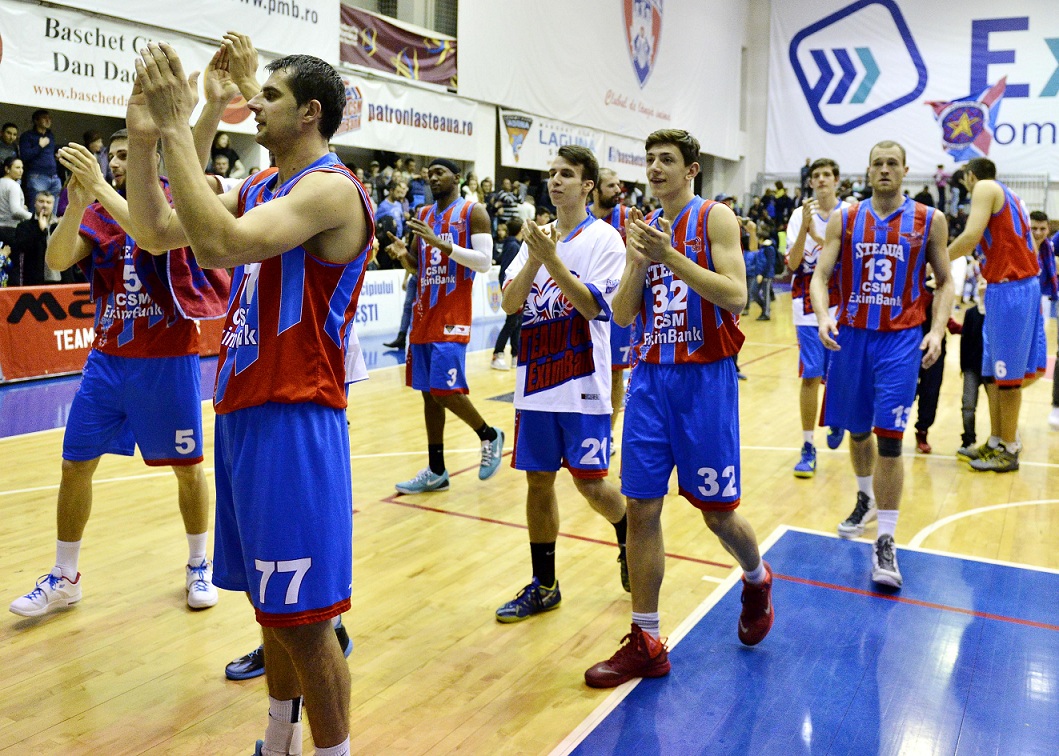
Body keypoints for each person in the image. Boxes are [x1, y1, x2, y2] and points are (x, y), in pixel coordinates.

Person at [128, 41, 372, 755]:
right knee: (271, 611)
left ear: (310, 112)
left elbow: (220, 247)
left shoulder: (329, 188)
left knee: (306, 621)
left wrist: (182, 125)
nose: (253, 102)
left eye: (269, 95)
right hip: (242, 408)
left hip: (295, 412)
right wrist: (150, 141)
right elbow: (157, 228)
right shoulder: (264, 184)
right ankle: (276, 738)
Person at [8, 126, 231, 620]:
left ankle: (199, 564)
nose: (115, 163)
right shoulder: (98, 213)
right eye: (111, 156)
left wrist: (103, 193)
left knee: (188, 467)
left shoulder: (176, 205)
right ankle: (65, 576)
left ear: (152, 159)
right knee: (74, 464)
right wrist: (74, 205)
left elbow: (155, 239)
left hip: (167, 360)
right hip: (107, 360)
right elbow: (55, 260)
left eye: (127, 155)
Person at [585, 129, 774, 688]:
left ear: (691, 169)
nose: (655, 167)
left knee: (717, 515)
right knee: (641, 509)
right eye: (649, 160)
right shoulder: (638, 227)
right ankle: (646, 639)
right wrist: (643, 261)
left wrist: (670, 256)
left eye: (666, 159)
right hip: (650, 380)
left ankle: (757, 577)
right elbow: (621, 315)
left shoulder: (714, 217)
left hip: (704, 382)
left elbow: (736, 295)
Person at [493, 146, 629, 623]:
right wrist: (534, 258)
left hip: (582, 385)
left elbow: (594, 307)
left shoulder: (606, 240)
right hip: (535, 384)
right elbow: (510, 305)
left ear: (587, 185)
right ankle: (545, 584)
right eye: (551, 173)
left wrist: (550, 259)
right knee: (538, 481)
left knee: (591, 485)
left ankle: (627, 526)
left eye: (566, 174)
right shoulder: (538, 238)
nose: (555, 181)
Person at [812, 140, 953, 588]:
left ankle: (886, 540)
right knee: (857, 432)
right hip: (852, 337)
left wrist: (936, 328)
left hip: (901, 340)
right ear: (868, 171)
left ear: (905, 170)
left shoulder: (930, 220)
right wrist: (821, 315)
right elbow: (820, 276)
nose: (885, 170)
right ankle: (865, 497)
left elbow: (946, 281)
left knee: (890, 440)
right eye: (878, 163)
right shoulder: (846, 218)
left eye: (893, 163)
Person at [387, 157, 505, 494]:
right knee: (428, 394)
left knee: (444, 389)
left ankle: (488, 434)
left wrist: (444, 244)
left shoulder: (473, 212)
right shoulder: (423, 216)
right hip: (424, 311)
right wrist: (402, 256)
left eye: (440, 173)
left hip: (452, 312)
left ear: (456, 177)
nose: (433, 178)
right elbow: (418, 267)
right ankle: (436, 470)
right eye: (429, 174)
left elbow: (483, 263)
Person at [946, 158, 1044, 472]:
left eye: (964, 183)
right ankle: (996, 441)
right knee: (994, 375)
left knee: (1009, 379)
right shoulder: (1008, 194)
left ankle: (1011, 448)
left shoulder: (985, 187)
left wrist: (935, 259)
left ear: (970, 176)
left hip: (1012, 288)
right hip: (1008, 289)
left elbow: (971, 237)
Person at [784, 158, 848, 478]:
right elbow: (793, 264)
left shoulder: (850, 213)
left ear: (837, 181)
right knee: (810, 374)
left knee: (840, 373)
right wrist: (805, 232)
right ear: (810, 183)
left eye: (827, 175)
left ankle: (836, 416)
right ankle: (808, 445)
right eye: (816, 175)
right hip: (806, 305)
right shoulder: (799, 215)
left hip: (844, 304)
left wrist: (819, 238)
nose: (821, 179)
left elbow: (845, 259)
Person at [589, 167, 637, 437]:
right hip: (587, 302)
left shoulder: (629, 218)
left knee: (616, 372)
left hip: (618, 305)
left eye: (619, 185)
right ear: (594, 189)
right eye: (611, 186)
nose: (618, 190)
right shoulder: (581, 218)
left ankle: (607, 433)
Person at [491, 218, 524, 370]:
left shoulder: (514, 245)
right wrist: (513, 291)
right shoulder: (513, 246)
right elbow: (508, 272)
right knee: (511, 323)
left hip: (517, 291)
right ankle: (497, 353)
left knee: (516, 324)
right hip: (513, 292)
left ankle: (515, 356)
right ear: (520, 230)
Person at [9, 190, 60, 285]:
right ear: (35, 204)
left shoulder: (59, 226)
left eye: (48, 202)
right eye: (41, 201)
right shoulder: (24, 226)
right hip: (34, 280)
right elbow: (22, 248)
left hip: (60, 279)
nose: (44, 205)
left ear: (53, 205)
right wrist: (40, 231)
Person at [19, 110, 62, 208]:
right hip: (37, 176)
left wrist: (57, 154)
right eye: (44, 118)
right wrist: (39, 145)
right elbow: (24, 156)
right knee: (37, 211)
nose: (48, 120)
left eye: (49, 118)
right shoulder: (27, 136)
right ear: (36, 121)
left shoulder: (50, 135)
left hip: (54, 177)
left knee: (52, 213)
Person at [0, 156, 32, 247]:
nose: (21, 171)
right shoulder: (13, 185)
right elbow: (16, 211)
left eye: (22, 168)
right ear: (7, 169)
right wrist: (34, 217)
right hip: (10, 229)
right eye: (17, 168)